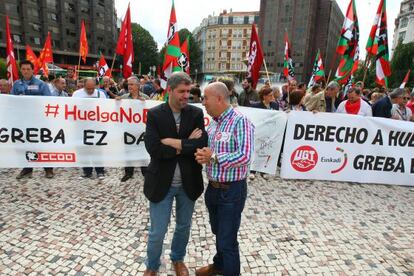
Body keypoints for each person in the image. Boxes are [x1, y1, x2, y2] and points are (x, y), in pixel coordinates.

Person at [143, 72, 207, 276]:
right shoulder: (155, 114)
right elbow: (154, 149)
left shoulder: (196, 114)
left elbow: (200, 144)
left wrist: (171, 142)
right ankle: (152, 266)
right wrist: (185, 144)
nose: (186, 95)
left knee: (183, 227)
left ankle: (177, 259)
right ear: (169, 90)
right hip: (161, 182)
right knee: (157, 232)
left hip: (188, 182)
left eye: (189, 91)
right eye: (182, 91)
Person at [195, 82, 254, 276]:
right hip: (213, 188)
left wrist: (213, 157)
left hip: (232, 190)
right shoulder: (214, 122)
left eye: (205, 98)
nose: (203, 102)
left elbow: (245, 156)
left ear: (219, 98)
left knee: (227, 240)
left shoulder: (240, 121)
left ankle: (228, 269)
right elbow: (211, 151)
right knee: (219, 233)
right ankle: (219, 266)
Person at [11, 60, 54, 179]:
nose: (25, 71)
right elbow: (11, 101)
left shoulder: (41, 84)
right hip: (23, 120)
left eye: (28, 69)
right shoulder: (16, 84)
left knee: (42, 144)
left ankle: (48, 169)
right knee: (26, 144)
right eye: (23, 69)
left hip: (38, 120)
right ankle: (27, 168)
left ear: (32, 70)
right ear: (21, 70)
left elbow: (48, 101)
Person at [72, 78, 107, 179]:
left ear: (96, 86)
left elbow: (105, 109)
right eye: (88, 89)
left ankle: (100, 171)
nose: (90, 91)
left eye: (92, 88)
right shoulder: (76, 94)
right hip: (81, 126)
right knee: (83, 149)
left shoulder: (101, 94)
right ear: (84, 86)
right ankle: (87, 171)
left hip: (96, 126)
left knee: (97, 150)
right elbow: (71, 109)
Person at [117, 76, 150, 182]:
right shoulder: (124, 97)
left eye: (131, 84)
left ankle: (145, 172)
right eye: (128, 84)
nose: (129, 86)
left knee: (143, 150)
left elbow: (151, 111)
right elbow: (116, 111)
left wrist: (145, 104)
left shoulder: (146, 98)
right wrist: (117, 102)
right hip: (128, 129)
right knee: (128, 151)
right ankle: (128, 173)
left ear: (138, 86)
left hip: (141, 129)